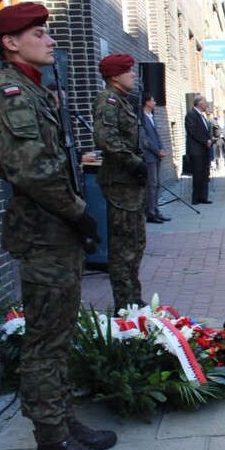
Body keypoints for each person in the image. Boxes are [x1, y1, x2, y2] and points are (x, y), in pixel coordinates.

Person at [0, 2, 114, 450]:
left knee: (59, 333)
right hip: (44, 232)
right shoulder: (10, 94)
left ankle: (62, 420)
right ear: (11, 43)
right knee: (45, 340)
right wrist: (81, 214)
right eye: (40, 33)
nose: (51, 40)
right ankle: (51, 443)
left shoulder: (35, 91)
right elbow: (34, 173)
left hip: (56, 230)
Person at [93, 53, 147, 316]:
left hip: (130, 185)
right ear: (115, 76)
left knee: (136, 245)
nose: (133, 74)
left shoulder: (123, 101)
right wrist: (134, 161)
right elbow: (105, 138)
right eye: (128, 70)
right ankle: (125, 307)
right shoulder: (108, 101)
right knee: (123, 249)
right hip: (120, 185)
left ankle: (134, 301)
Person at [141, 92, 170, 224]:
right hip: (149, 156)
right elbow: (145, 139)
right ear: (147, 102)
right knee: (151, 185)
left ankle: (156, 210)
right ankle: (150, 213)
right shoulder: (142, 118)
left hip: (157, 155)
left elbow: (156, 136)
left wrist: (162, 149)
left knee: (157, 184)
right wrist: (157, 151)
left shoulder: (151, 117)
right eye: (153, 100)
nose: (155, 103)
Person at [185, 95, 213, 204]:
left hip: (205, 149)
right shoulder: (191, 114)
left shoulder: (202, 116)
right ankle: (195, 198)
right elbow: (193, 131)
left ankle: (203, 197)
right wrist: (205, 141)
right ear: (200, 103)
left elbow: (206, 131)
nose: (206, 104)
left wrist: (210, 139)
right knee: (198, 174)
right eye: (205, 102)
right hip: (196, 150)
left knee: (205, 174)